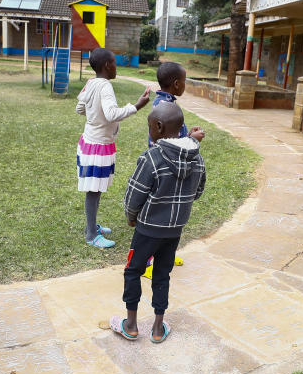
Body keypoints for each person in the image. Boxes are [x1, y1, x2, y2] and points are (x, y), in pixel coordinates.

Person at [110, 102, 206, 343]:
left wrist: (132, 218)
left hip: (147, 230)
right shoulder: (198, 159)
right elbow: (197, 192)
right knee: (162, 274)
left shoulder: (151, 158)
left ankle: (131, 325)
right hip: (174, 232)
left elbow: (134, 196)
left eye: (150, 126)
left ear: (159, 127)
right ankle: (157, 327)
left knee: (133, 271)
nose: (149, 130)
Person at [76, 47, 153, 248]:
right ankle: (91, 235)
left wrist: (94, 118)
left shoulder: (90, 83)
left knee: (95, 188)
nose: (116, 68)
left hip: (89, 141)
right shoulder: (105, 87)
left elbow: (79, 108)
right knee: (94, 190)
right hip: (98, 145)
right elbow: (111, 114)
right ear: (107, 66)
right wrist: (136, 106)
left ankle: (91, 226)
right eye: (115, 64)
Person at [142, 62, 204, 277]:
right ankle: (148, 262)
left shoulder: (166, 102)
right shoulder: (164, 106)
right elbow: (166, 142)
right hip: (164, 168)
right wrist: (191, 139)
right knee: (158, 215)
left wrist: (188, 137)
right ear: (177, 84)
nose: (185, 85)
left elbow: (173, 138)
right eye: (185, 82)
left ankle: (165, 255)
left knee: (171, 214)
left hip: (170, 165)